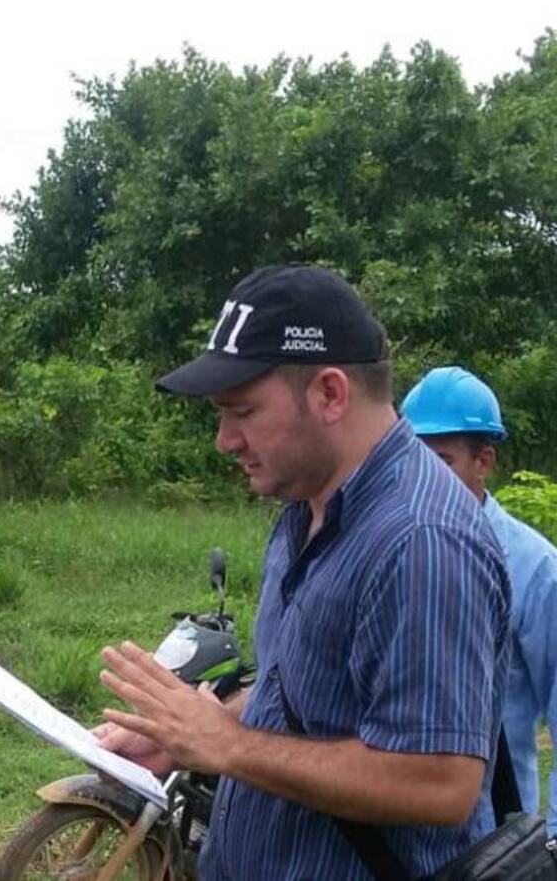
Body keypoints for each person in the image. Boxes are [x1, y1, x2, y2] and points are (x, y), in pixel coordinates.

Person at [97, 265, 510, 879]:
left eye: (243, 411)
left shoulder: (421, 541)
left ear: (330, 394)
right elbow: (307, 699)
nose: (224, 440)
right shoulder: (306, 507)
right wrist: (185, 731)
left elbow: (440, 784)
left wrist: (229, 746)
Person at [402, 365, 557, 840]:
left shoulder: (535, 568)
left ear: (483, 460)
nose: (421, 478)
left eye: (441, 460)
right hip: (391, 825)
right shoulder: (392, 550)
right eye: (411, 459)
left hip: (489, 837)